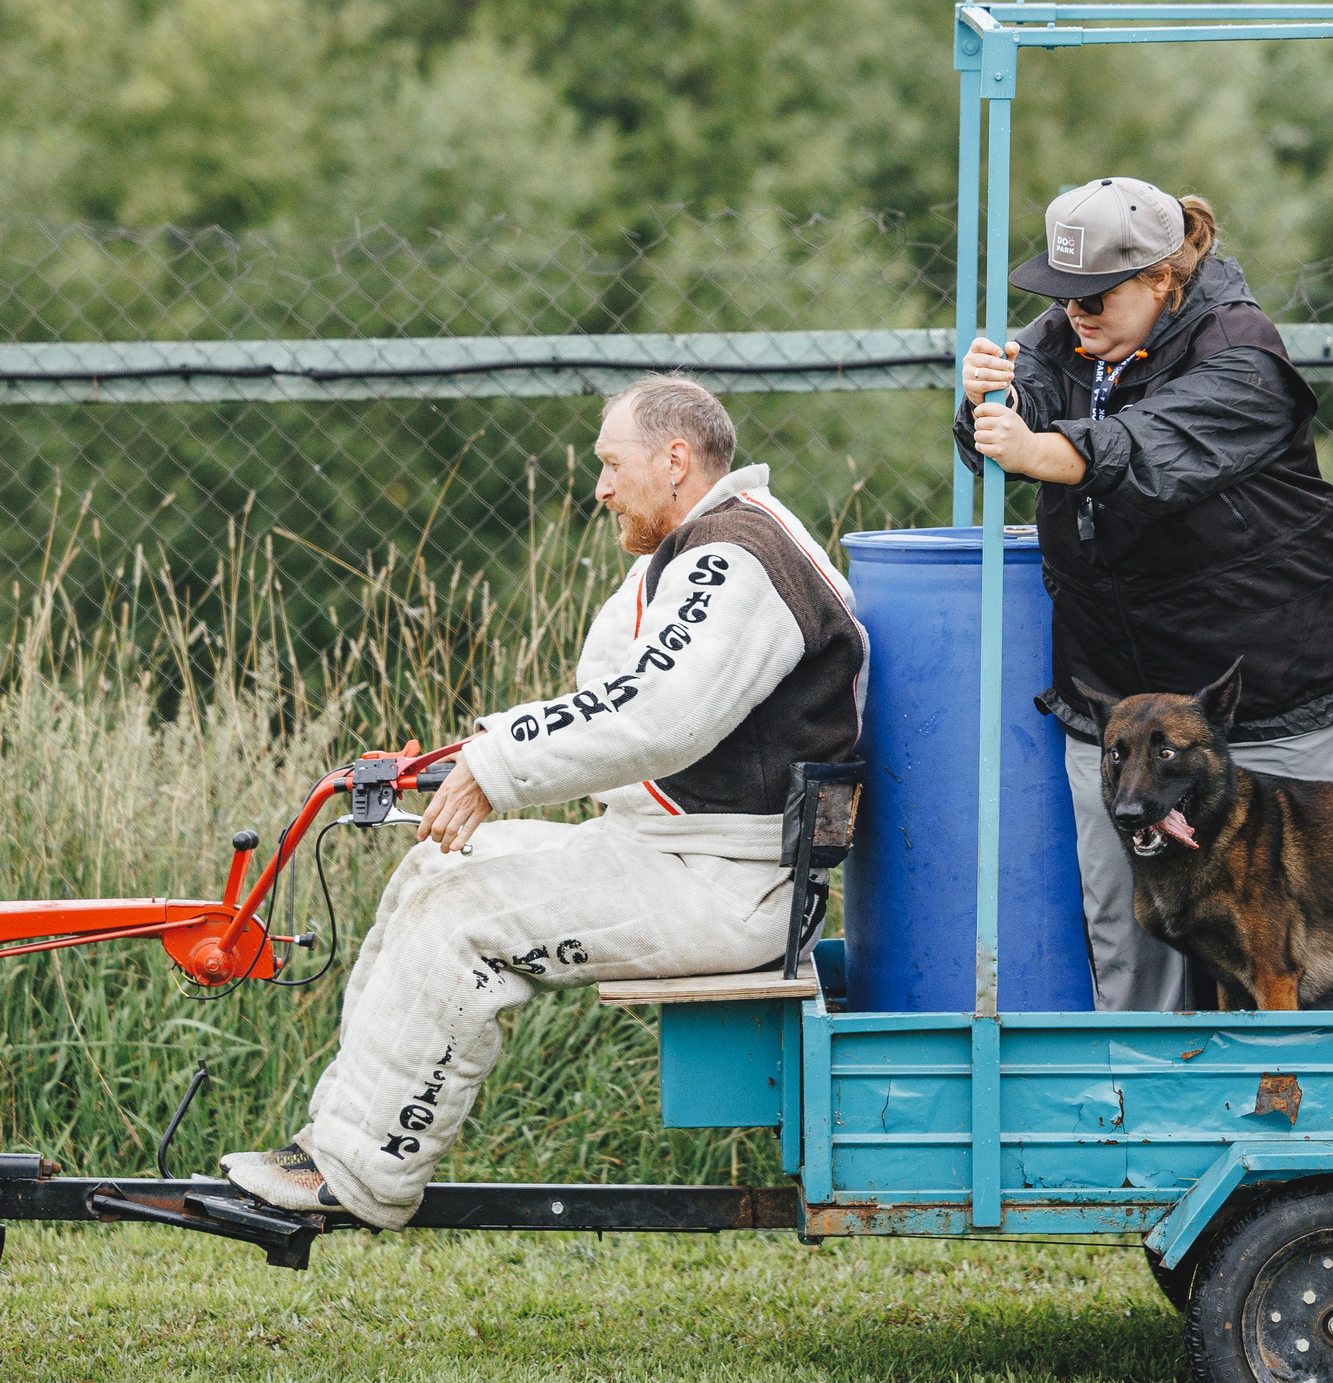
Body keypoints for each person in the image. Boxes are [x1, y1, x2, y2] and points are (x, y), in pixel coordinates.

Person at [222, 375, 867, 1227]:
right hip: (683, 857)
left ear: (676, 461)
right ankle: (332, 1143)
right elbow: (627, 704)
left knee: (458, 919)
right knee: (433, 870)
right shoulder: (714, 547)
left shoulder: (737, 559)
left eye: (611, 463)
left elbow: (656, 712)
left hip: (731, 887)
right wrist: (471, 760)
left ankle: (360, 1177)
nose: (599, 487)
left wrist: (497, 767)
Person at [954, 177, 1333, 1012]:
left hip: (1269, 705)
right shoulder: (1067, 335)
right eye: (1060, 293)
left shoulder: (1243, 353)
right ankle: (1144, 1128)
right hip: (1124, 714)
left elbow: (1156, 447)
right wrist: (985, 402)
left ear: (1161, 279)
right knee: (1135, 948)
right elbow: (1019, 410)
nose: (1075, 312)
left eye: (1096, 294)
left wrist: (1048, 452)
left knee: (1300, 952)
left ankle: (1315, 1133)